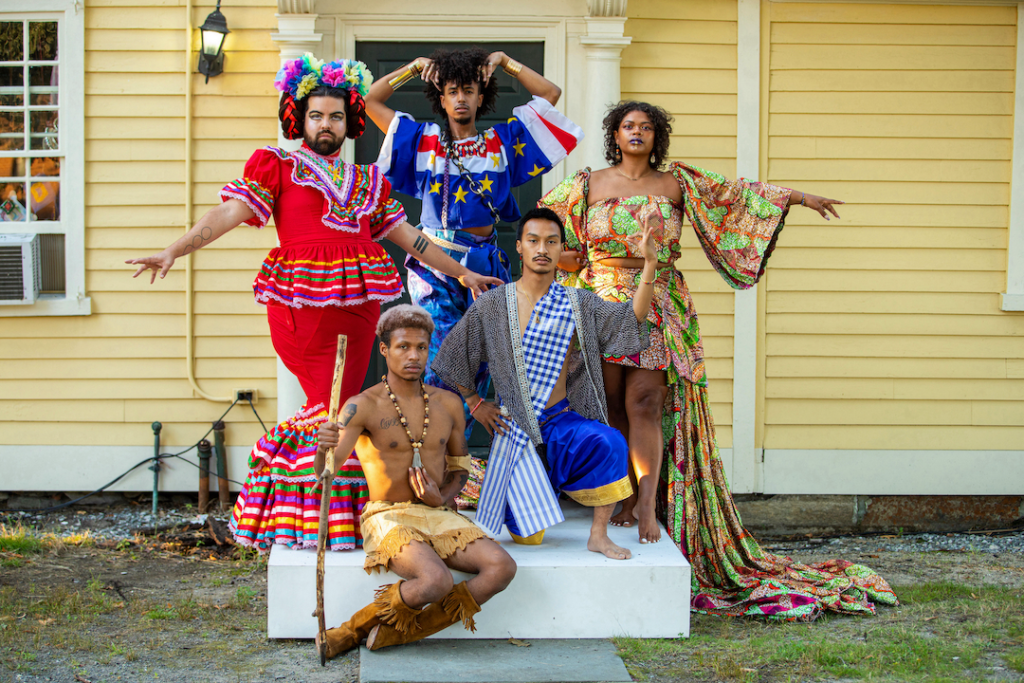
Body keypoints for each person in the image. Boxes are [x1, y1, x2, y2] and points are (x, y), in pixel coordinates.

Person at [125, 54, 501, 553]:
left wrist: (464, 273)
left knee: (343, 404)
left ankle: (342, 523)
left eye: (337, 116)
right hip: (301, 302)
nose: (327, 124)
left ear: (351, 122)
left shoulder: (368, 181)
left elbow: (413, 240)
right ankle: (306, 523)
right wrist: (176, 248)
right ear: (299, 119)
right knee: (325, 404)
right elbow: (228, 213)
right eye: (317, 116)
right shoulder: (277, 166)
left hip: (359, 303)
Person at [541, 101, 897, 619]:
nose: (636, 133)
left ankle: (645, 503)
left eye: (646, 128)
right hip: (599, 298)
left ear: (656, 137)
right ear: (614, 135)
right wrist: (565, 263)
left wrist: (799, 197)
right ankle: (614, 496)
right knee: (609, 406)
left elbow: (738, 196)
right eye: (628, 126)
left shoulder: (676, 184)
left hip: (659, 298)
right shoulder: (587, 183)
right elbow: (549, 235)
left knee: (645, 403)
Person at [367, 47, 584, 434]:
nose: (461, 98)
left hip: (487, 262)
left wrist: (503, 62)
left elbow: (549, 94)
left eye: (469, 90)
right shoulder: (422, 141)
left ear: (481, 96)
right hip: (435, 263)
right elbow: (371, 100)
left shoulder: (503, 141)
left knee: (481, 362)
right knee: (440, 357)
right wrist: (415, 67)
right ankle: (433, 452)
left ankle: (459, 458)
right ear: (442, 98)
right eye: (452, 91)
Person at [432, 208, 657, 560]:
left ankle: (598, 536)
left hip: (561, 421)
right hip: (515, 429)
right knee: (528, 538)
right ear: (519, 247)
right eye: (533, 240)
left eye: (551, 242)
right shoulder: (493, 304)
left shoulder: (577, 302)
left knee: (610, 440)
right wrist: (475, 402)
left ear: (560, 248)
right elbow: (452, 356)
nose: (542, 248)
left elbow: (630, 319)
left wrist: (649, 264)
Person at [314, 305, 516, 656]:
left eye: (421, 348)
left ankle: (403, 632)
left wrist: (445, 497)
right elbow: (325, 471)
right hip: (388, 516)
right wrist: (323, 445)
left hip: (439, 514)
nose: (413, 356)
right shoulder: (361, 405)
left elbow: (459, 468)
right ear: (384, 350)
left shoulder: (449, 403)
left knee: (502, 567)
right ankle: (350, 630)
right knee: (435, 581)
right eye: (403, 347)